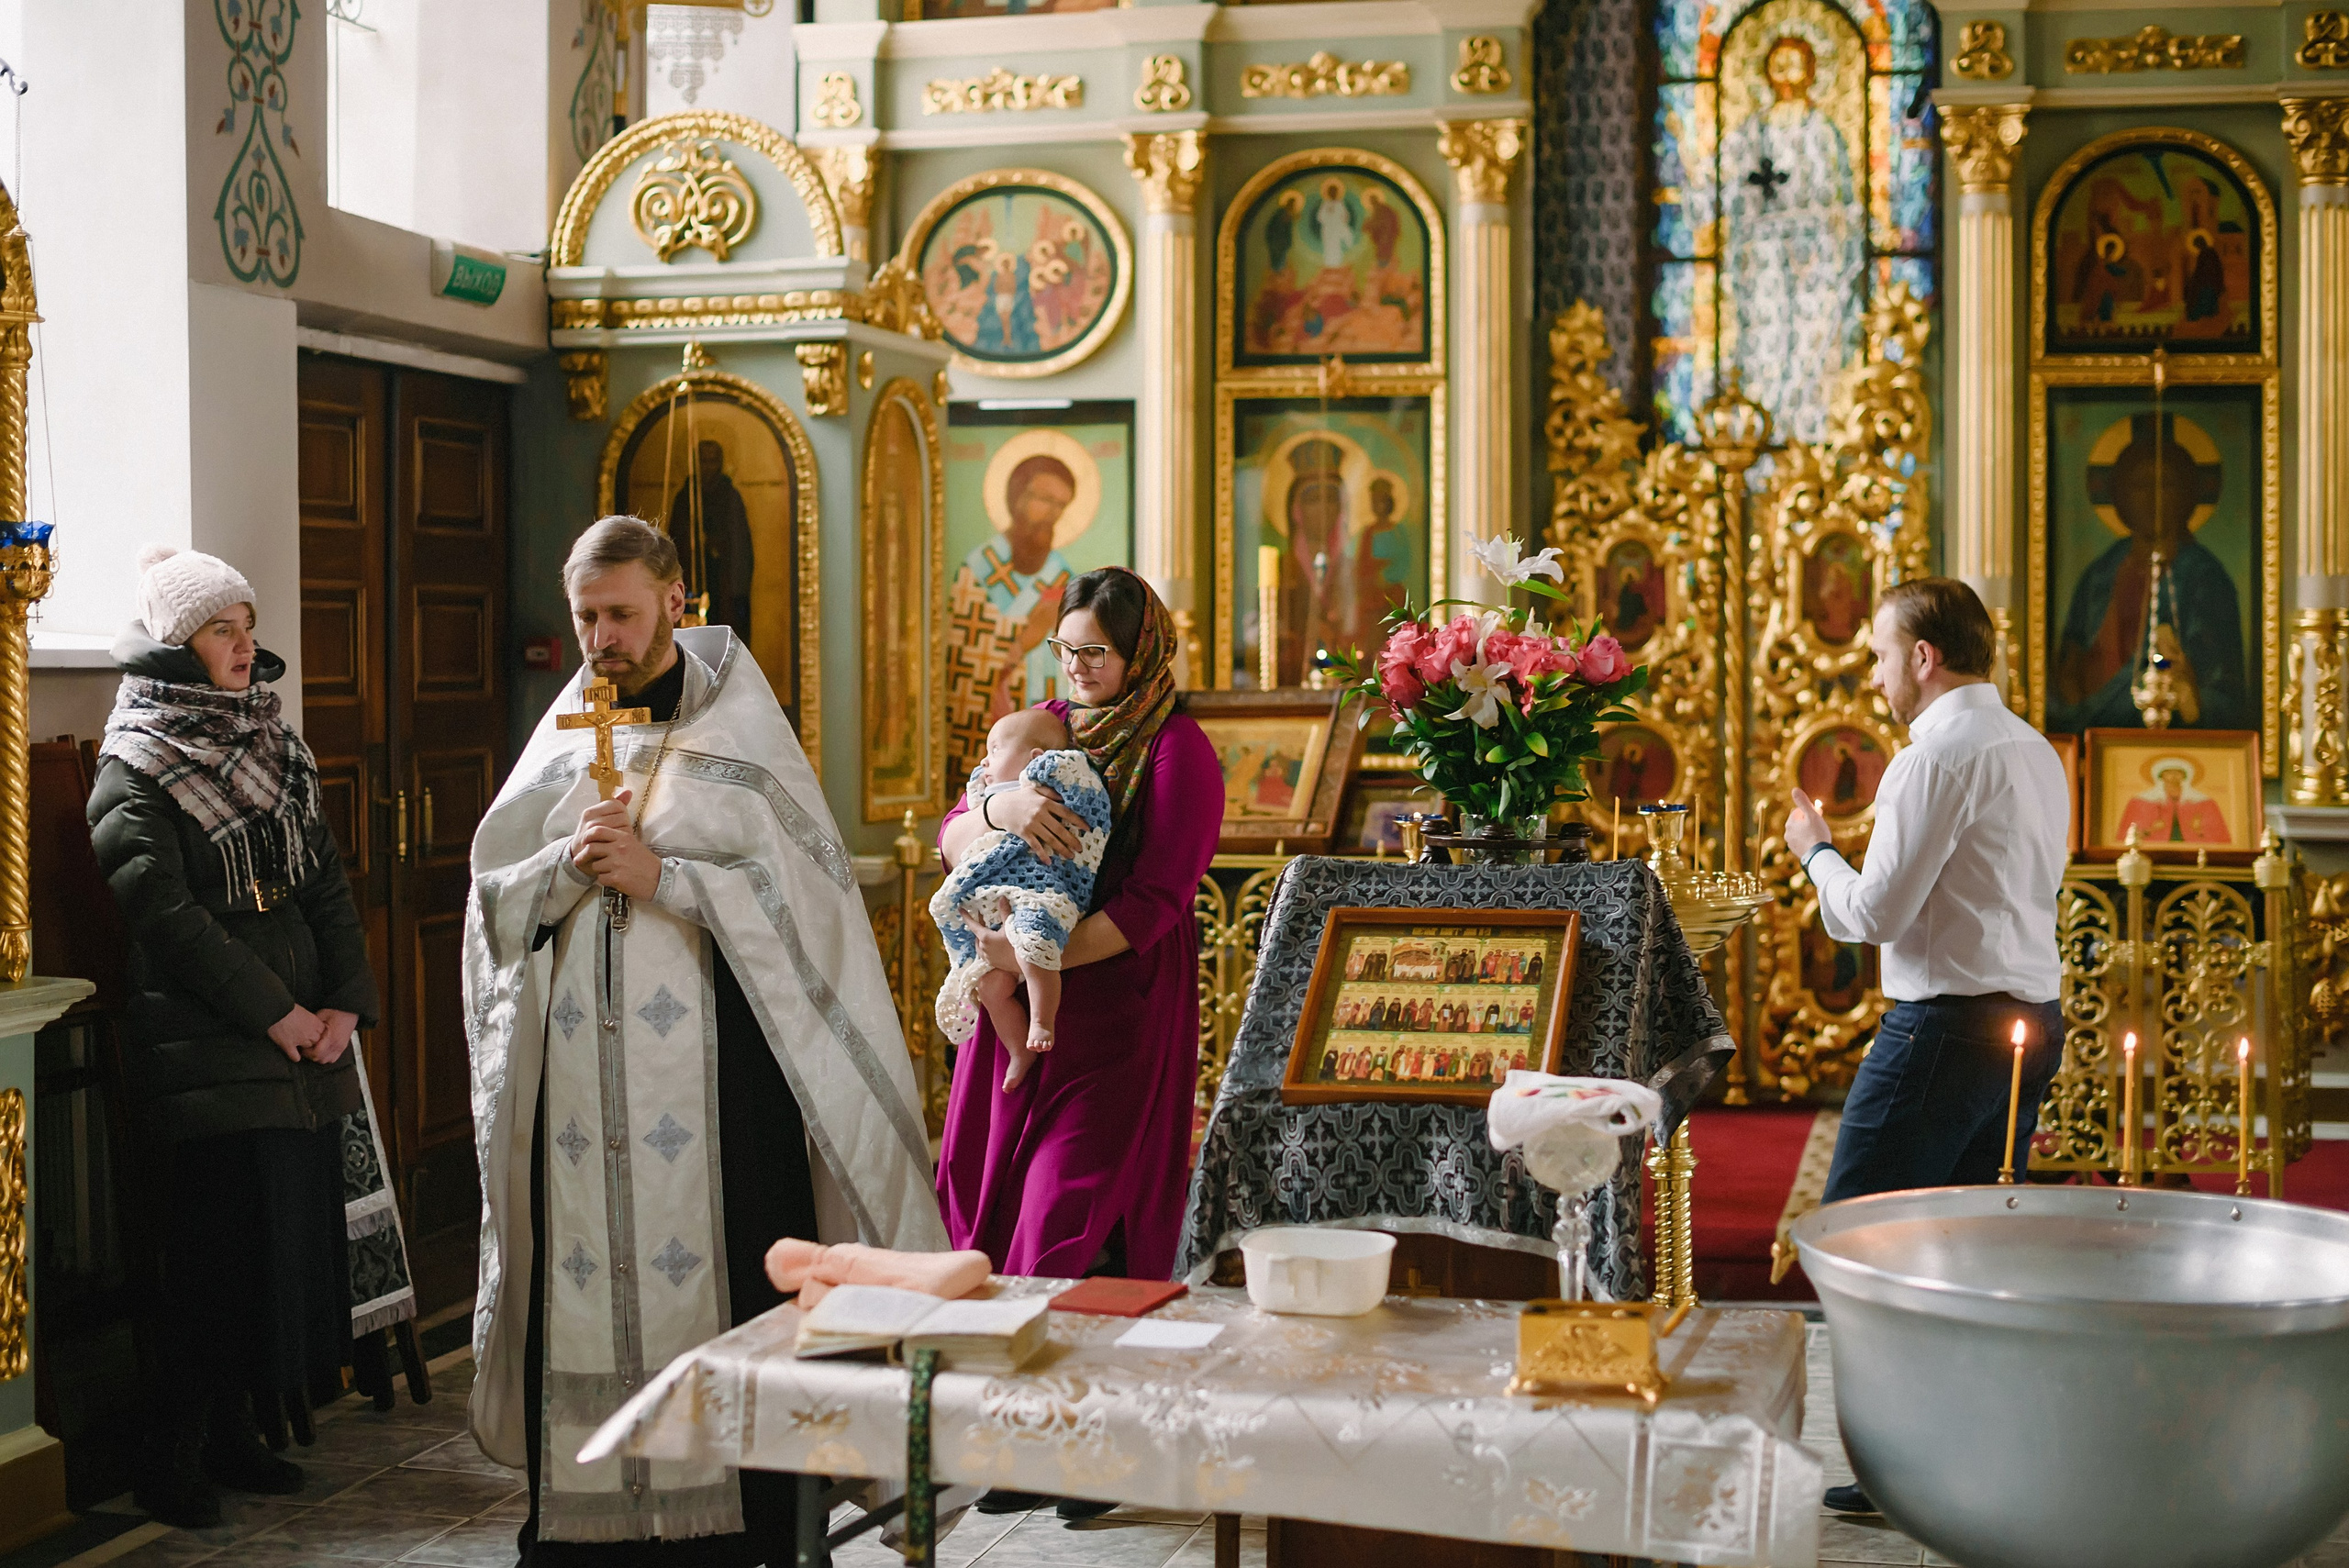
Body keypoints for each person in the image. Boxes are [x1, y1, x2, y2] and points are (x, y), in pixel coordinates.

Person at [464, 517, 944, 1562]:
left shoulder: (741, 736)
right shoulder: (562, 739)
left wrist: (667, 878)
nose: (602, 638)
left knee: (733, 1275)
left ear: (676, 602)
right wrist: (566, 868)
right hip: (580, 1104)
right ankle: (587, 1533)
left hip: (723, 1093)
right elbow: (492, 906)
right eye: (586, 616)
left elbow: (807, 916)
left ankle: (742, 1529)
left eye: (622, 614)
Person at [89, 546, 378, 1528]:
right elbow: (169, 920)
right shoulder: (134, 765)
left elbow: (325, 882)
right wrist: (277, 1013)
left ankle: (234, 1431)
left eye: (247, 625)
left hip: (294, 1041)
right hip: (207, 1042)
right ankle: (169, 1451)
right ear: (179, 646)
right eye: (223, 628)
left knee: (272, 1255)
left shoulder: (274, 745)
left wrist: (346, 1002)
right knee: (210, 1260)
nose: (245, 643)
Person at [934, 566, 1222, 1520]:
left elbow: (1154, 902)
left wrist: (1035, 949)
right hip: (1021, 996)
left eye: (1097, 652)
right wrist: (999, 811)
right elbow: (953, 831)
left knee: (1068, 1212)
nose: (1079, 668)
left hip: (1116, 1004)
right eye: (1066, 649)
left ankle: (1089, 1443)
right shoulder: (1042, 726)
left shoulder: (1178, 750)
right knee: (991, 1199)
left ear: (1141, 651)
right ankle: (1013, 1427)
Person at [1784, 577, 2069, 1520]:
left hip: (1942, 1032)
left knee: (1856, 1243)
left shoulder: (1932, 757)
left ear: (1922, 655)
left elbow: (1873, 914)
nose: (1873, 676)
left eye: (1878, 655)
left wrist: (1815, 848)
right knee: (1968, 1250)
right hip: (2028, 1023)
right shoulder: (2034, 749)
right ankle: (1967, 1458)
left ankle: (1894, 1472)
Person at [931, 706, 1113, 1089]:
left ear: (1035, 757)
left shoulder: (1056, 770)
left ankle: (1042, 1021)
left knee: (1034, 944)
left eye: (995, 750)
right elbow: (949, 836)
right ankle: (1019, 1050)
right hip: (996, 903)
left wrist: (1041, 777)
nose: (985, 760)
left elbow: (1080, 788)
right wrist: (995, 808)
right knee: (990, 987)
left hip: (1040, 891)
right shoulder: (988, 789)